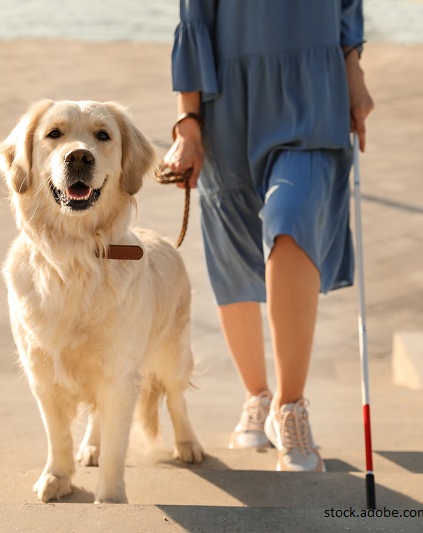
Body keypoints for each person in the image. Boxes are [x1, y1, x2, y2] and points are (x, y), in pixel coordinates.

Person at [163, 0, 374, 472]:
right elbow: (194, 20)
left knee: (291, 221)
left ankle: (290, 407)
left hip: (314, 97)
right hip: (230, 108)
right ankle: (256, 394)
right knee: (234, 252)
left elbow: (346, 6)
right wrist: (188, 125)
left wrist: (354, 76)